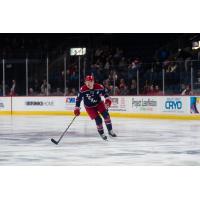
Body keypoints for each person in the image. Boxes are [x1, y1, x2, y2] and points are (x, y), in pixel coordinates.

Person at [74, 75, 117, 140]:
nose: (88, 83)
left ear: (93, 82)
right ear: (85, 82)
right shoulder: (83, 89)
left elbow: (106, 95)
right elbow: (78, 99)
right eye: (86, 82)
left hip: (99, 103)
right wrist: (77, 108)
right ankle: (102, 133)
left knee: (106, 115)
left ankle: (110, 131)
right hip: (89, 107)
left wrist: (107, 102)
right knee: (98, 119)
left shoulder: (99, 87)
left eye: (90, 81)